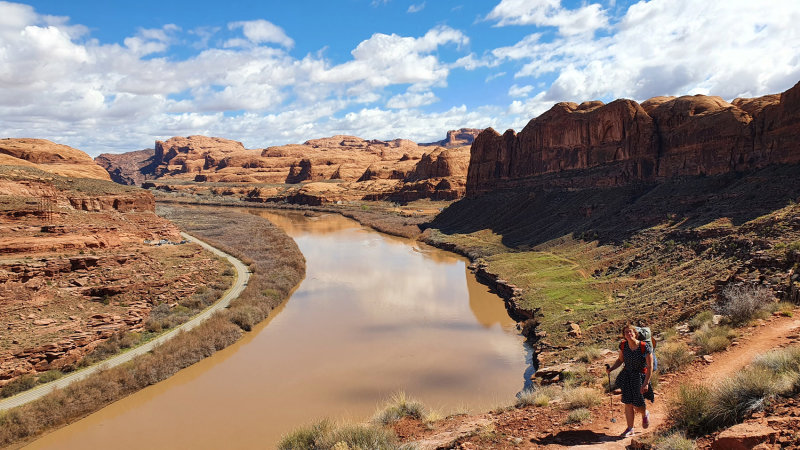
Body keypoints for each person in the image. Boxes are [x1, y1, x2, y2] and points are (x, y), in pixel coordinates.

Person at [605, 323, 654, 437]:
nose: (629, 334)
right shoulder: (623, 345)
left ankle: (644, 413)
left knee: (638, 405)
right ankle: (630, 428)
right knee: (628, 403)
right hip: (627, 375)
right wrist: (612, 368)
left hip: (639, 377)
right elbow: (620, 360)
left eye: (631, 331)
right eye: (626, 332)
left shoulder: (644, 346)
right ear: (624, 335)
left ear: (635, 334)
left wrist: (646, 383)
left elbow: (650, 366)